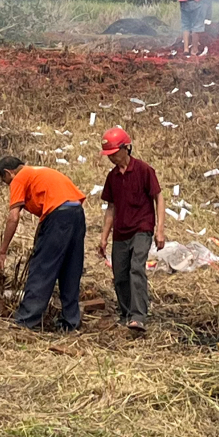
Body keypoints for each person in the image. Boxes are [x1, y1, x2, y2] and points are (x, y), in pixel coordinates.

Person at [0, 155, 88, 333]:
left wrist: (3, 251)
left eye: (5, 181)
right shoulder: (39, 172)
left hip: (59, 217)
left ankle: (26, 320)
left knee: (43, 269)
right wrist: (39, 242)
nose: (8, 186)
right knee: (70, 268)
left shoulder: (19, 178)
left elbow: (13, 217)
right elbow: (48, 215)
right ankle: (70, 321)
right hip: (76, 214)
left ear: (8, 173)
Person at [96, 125, 164, 334]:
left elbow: (158, 197)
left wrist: (160, 229)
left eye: (114, 153)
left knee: (136, 268)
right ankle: (126, 314)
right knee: (120, 274)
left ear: (126, 148)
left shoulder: (144, 170)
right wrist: (104, 237)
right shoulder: (112, 177)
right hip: (121, 231)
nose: (112, 158)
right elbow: (111, 207)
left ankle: (138, 316)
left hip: (142, 228)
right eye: (109, 155)